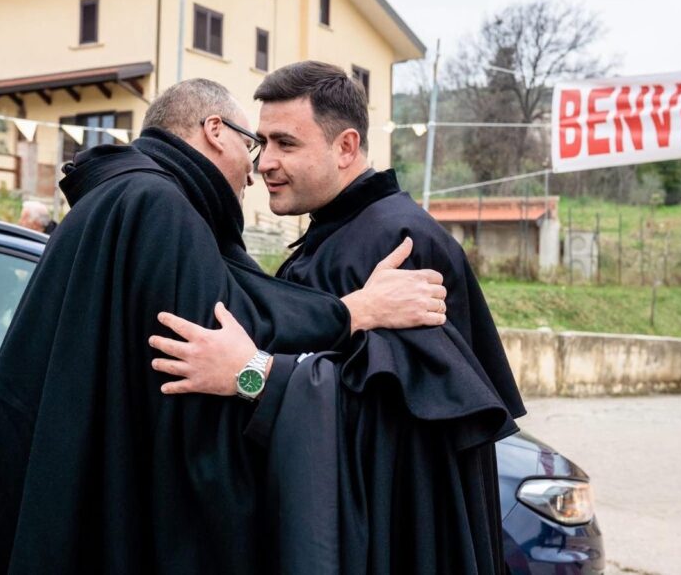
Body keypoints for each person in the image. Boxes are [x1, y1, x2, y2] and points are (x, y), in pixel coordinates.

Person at [0, 78, 446, 575]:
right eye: (254, 143)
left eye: (281, 143)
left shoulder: (118, 200)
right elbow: (223, 331)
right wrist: (356, 312)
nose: (255, 169)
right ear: (215, 131)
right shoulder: (159, 208)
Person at [149, 61, 526, 574]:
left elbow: (396, 431)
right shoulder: (338, 234)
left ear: (346, 147)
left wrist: (251, 373)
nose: (266, 164)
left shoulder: (395, 243)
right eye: (263, 143)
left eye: (287, 144)